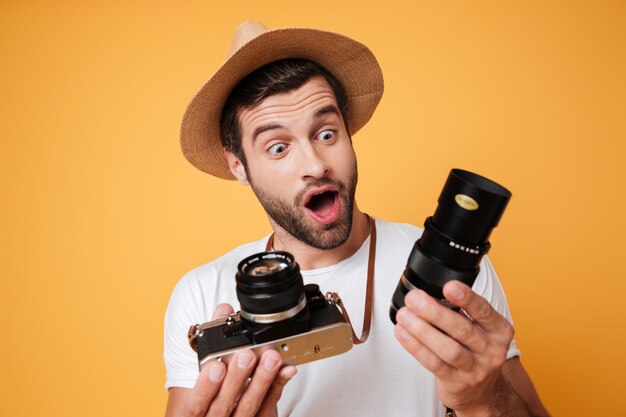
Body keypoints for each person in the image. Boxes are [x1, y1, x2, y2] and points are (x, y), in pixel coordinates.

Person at [164, 21, 550, 417]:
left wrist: (485, 399)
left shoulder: (449, 269)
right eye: (278, 147)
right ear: (239, 167)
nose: (315, 165)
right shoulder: (201, 294)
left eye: (327, 134)